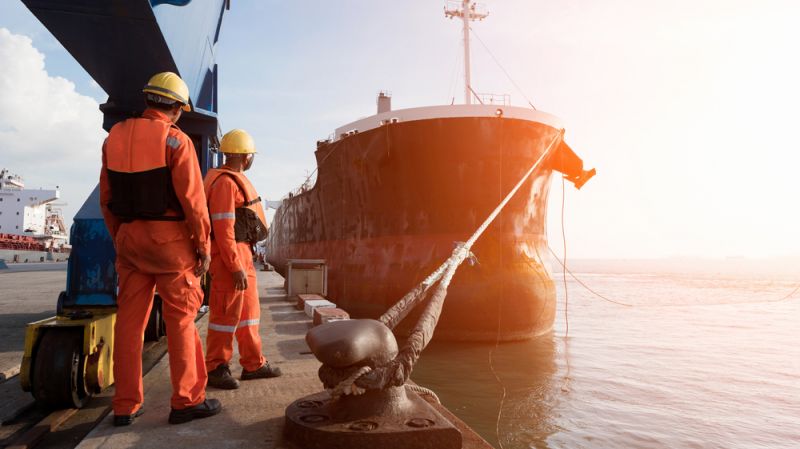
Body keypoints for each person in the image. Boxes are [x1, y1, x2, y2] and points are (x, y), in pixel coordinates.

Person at [99, 72, 222, 426]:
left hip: (130, 243)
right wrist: (203, 248)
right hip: (172, 247)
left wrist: (121, 237)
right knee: (181, 322)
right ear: (178, 109)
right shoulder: (175, 141)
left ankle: (124, 405)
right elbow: (194, 203)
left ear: (148, 99)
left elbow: (107, 199)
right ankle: (185, 401)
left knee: (129, 326)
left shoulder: (114, 138)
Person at [203, 129, 282, 389]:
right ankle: (216, 367)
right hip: (230, 257)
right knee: (225, 316)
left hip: (243, 254)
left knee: (249, 314)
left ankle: (253, 364)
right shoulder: (225, 183)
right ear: (246, 156)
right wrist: (234, 266)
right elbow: (223, 229)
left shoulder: (231, 179)